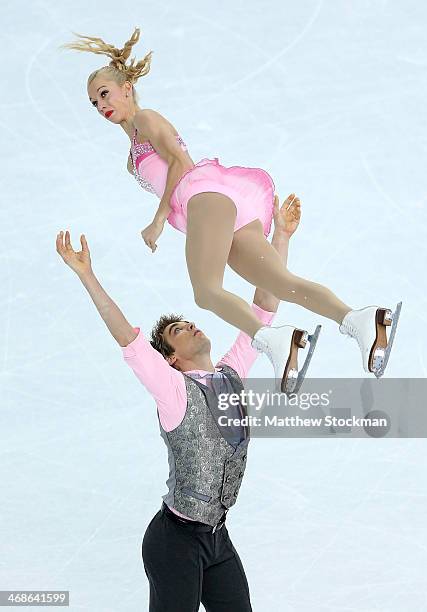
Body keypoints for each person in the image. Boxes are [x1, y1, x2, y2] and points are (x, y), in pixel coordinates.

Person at [62, 28, 401, 390]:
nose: (101, 106)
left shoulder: (146, 120)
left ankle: (276, 341)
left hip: (202, 197)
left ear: (126, 88)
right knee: (281, 284)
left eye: (104, 94)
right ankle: (360, 320)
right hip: (218, 207)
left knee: (206, 291)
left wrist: (158, 219)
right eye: (94, 103)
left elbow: (178, 161)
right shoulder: (131, 158)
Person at [56, 193, 302, 611]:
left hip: (217, 538)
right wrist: (87, 275)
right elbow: (128, 338)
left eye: (187, 322)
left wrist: (281, 236)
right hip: (175, 543)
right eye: (178, 331)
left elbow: (262, 311)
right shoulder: (173, 392)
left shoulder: (230, 374)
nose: (190, 324)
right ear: (171, 358)